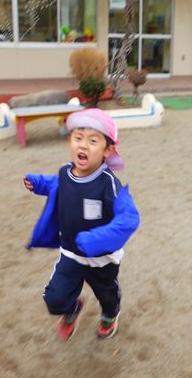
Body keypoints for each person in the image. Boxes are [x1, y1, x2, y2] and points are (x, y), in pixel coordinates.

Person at [23, 108, 139, 341]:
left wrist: (96, 239)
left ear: (108, 150)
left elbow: (129, 218)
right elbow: (57, 185)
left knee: (107, 295)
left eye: (93, 141)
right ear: (70, 141)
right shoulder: (65, 172)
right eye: (78, 138)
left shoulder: (109, 184)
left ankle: (110, 315)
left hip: (101, 259)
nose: (83, 145)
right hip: (71, 252)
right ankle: (72, 307)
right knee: (55, 299)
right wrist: (39, 184)